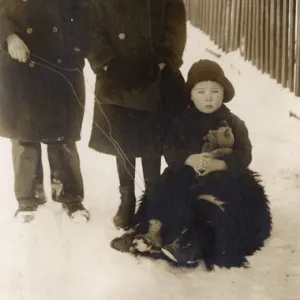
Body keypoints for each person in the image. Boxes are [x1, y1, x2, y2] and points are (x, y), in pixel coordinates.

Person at [111, 60, 272, 270]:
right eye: (201, 91)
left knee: (212, 213)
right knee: (163, 194)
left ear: (224, 94)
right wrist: (189, 159)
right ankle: (151, 231)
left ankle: (189, 247)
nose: (208, 97)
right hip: (186, 176)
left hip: (220, 181)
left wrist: (219, 164)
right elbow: (170, 148)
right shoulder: (181, 121)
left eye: (215, 91)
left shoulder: (233, 123)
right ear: (191, 94)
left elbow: (244, 154)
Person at [88, 0, 187, 229]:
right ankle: (127, 199)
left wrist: (162, 62)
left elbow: (175, 29)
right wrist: (106, 63)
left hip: (153, 75)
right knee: (123, 140)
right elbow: (93, 28)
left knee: (151, 140)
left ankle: (152, 200)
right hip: (116, 77)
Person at [0, 0, 90, 223]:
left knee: (62, 133)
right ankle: (28, 198)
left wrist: (77, 47)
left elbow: (87, 9)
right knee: (24, 134)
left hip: (60, 60)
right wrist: (9, 36)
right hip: (19, 60)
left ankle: (71, 197)